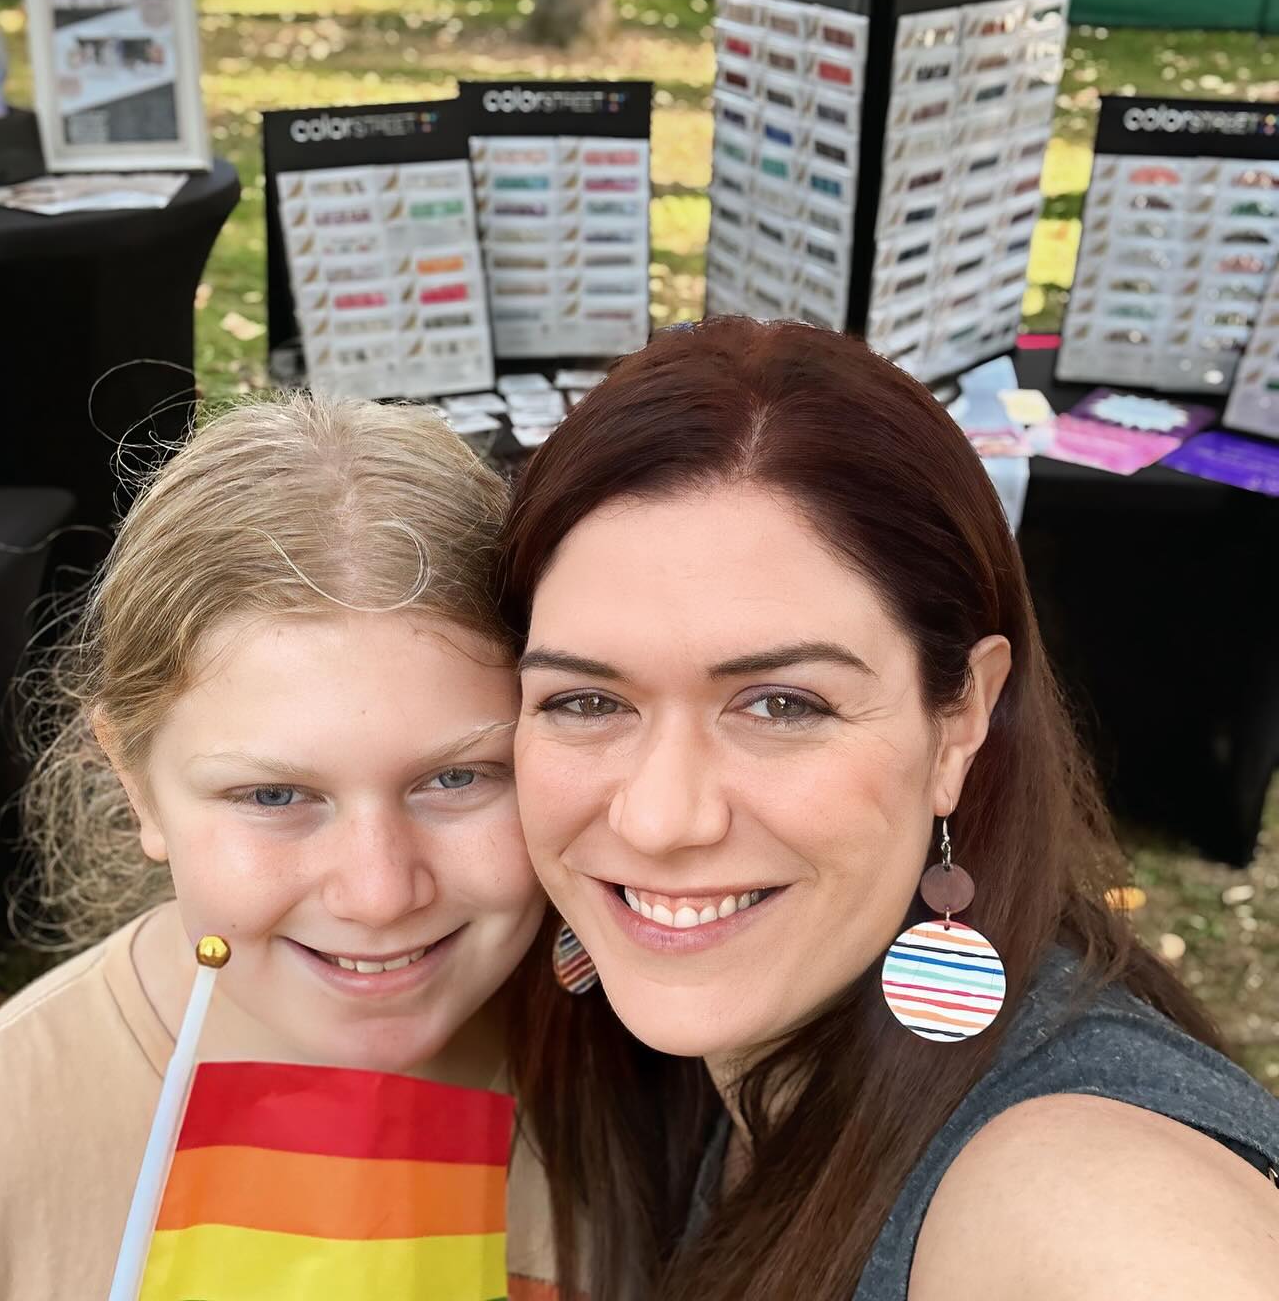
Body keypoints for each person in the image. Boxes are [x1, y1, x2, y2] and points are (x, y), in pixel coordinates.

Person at [498, 317, 1279, 1301]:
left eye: (782, 705)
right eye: (587, 701)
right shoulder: (683, 1072)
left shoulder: (1077, 1197)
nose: (660, 821)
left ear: (960, 722)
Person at [0, 392, 557, 1298]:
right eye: (272, 795)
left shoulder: (667, 1063)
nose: (379, 893)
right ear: (137, 781)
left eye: (457, 779)